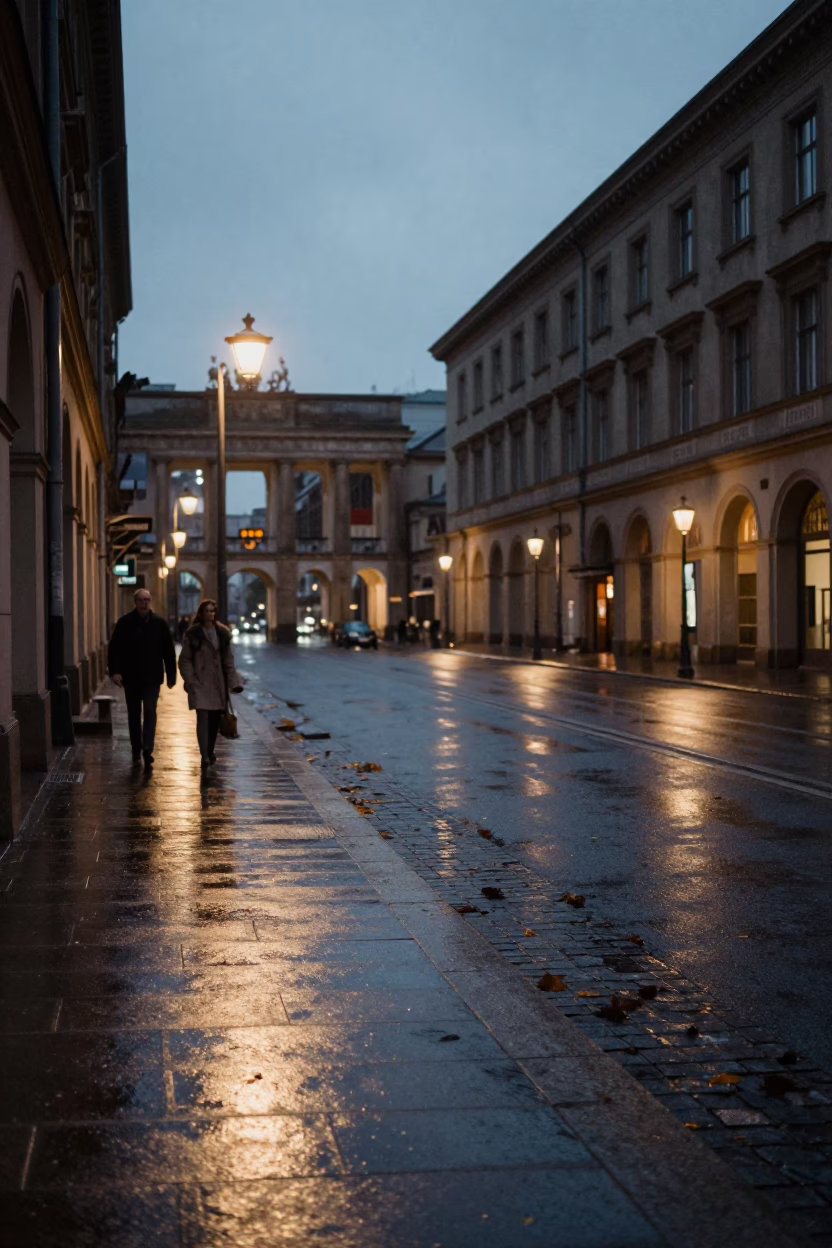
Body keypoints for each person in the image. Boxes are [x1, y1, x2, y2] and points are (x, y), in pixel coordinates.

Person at [108, 587, 177, 766]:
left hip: (152, 677)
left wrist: (171, 675)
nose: (144, 603)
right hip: (130, 677)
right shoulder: (124, 623)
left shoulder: (160, 624)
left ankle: (147, 747)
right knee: (133, 714)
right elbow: (114, 649)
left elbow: (168, 652)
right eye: (141, 600)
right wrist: (115, 671)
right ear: (135, 602)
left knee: (150, 710)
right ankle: (135, 748)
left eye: (147, 600)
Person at [178, 598, 244, 771]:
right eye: (207, 611)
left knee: (214, 720)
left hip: (217, 683)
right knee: (203, 718)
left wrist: (233, 682)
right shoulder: (193, 634)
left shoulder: (222, 633)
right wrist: (190, 680)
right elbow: (184, 660)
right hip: (200, 682)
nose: (210, 614)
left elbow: (228, 660)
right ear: (201, 613)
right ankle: (204, 755)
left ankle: (210, 751)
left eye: (212, 611)